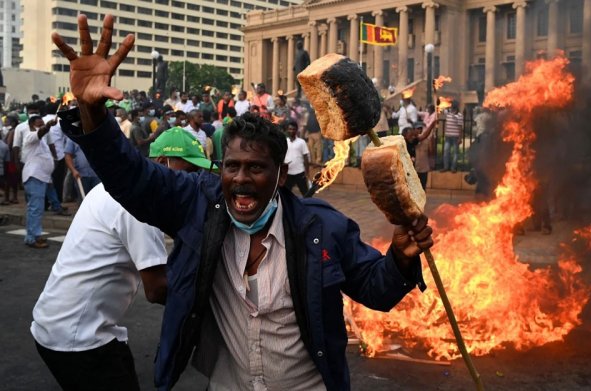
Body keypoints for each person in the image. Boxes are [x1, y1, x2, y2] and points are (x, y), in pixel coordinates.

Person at [53, 15, 433, 389]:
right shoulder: (198, 204)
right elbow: (132, 178)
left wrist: (400, 257)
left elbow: (375, 290)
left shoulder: (322, 227)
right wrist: (93, 113)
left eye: (256, 168)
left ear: (281, 176)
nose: (240, 179)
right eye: (232, 166)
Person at [31, 128, 212, 390]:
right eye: (190, 172)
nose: (193, 182)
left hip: (55, 325)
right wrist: (214, 307)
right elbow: (157, 288)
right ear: (163, 163)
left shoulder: (115, 188)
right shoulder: (139, 207)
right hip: (78, 338)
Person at [22, 116, 63, 249]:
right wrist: (48, 126)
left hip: (42, 177)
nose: (42, 125)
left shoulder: (42, 142)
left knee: (34, 208)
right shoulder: (30, 136)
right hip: (35, 177)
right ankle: (33, 237)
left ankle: (32, 236)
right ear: (32, 125)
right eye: (39, 123)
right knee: (36, 209)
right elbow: (41, 132)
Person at [284, 121, 310, 195]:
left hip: (300, 172)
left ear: (296, 130)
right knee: (286, 194)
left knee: (306, 193)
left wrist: (307, 172)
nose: (291, 131)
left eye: (293, 129)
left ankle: (308, 205)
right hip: (288, 172)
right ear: (287, 130)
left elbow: (306, 157)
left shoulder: (301, 142)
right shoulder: (285, 141)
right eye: (290, 129)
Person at [442, 101, 463, 172]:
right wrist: (447, 105)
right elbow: (442, 109)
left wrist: (460, 138)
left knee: (455, 153)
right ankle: (446, 167)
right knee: (446, 152)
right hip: (448, 136)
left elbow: (460, 127)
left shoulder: (459, 115)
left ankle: (453, 168)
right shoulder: (448, 112)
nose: (452, 107)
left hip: (455, 136)